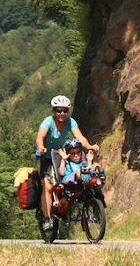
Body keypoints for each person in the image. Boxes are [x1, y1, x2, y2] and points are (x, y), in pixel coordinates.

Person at [34, 95, 98, 229]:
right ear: (54, 111)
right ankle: (47, 219)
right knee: (48, 187)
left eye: (65, 110)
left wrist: (89, 146)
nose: (62, 113)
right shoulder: (48, 121)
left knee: (66, 184)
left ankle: (62, 207)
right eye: (59, 110)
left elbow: (80, 137)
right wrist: (41, 147)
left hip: (60, 156)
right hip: (45, 157)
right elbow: (40, 136)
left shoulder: (70, 122)